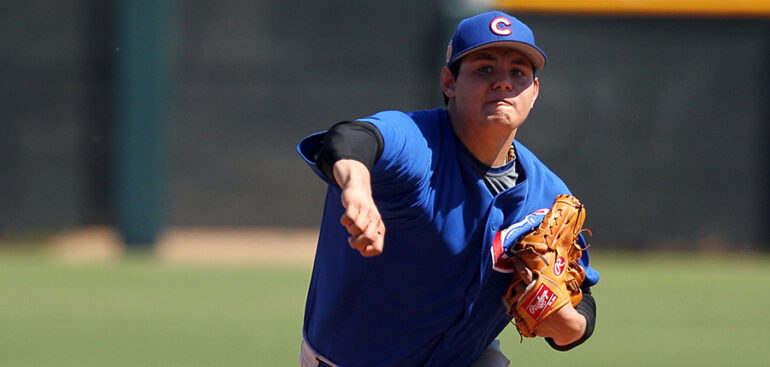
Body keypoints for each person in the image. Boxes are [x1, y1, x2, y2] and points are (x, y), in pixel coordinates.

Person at [296, 10, 599, 367]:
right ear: (449, 82)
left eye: (518, 72)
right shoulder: (418, 143)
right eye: (484, 68)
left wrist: (569, 326)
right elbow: (349, 138)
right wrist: (358, 187)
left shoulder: (547, 197)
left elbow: (583, 298)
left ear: (533, 92)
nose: (503, 82)